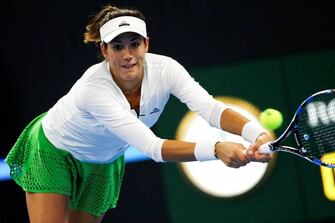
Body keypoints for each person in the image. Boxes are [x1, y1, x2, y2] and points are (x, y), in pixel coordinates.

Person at [5, 5, 273, 223]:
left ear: (146, 44)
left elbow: (211, 109)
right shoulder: (94, 89)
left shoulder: (167, 70)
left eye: (134, 44)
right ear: (104, 50)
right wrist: (215, 149)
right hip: (54, 151)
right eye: (117, 46)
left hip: (102, 162)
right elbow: (153, 147)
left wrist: (256, 133)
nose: (127, 55)